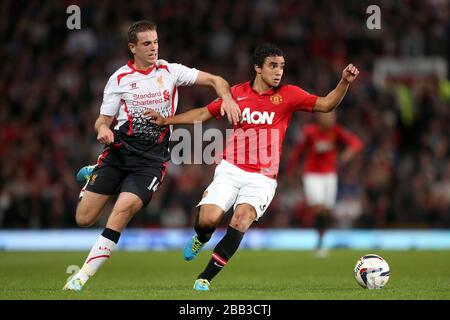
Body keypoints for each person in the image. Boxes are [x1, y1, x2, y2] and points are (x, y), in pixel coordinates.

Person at [145, 44, 359, 291]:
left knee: (242, 219)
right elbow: (204, 113)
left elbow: (326, 104)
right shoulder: (236, 93)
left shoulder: (289, 95)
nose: (279, 72)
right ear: (257, 68)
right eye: (272, 66)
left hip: (263, 177)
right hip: (231, 169)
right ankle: (201, 237)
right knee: (208, 219)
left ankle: (205, 277)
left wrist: (344, 82)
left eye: (281, 67)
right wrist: (167, 120)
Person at [62, 20, 241, 291]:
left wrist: (226, 97)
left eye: (156, 42)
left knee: (121, 212)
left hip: (150, 162)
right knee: (84, 218)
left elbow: (216, 80)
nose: (153, 48)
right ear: (132, 47)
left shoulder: (170, 71)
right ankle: (93, 174)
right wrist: (102, 131)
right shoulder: (120, 79)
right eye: (147, 43)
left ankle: (80, 277)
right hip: (117, 155)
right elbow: (102, 120)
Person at [286, 111, 363, 258]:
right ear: (319, 118)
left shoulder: (336, 131)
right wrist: (290, 171)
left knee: (326, 211)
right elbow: (297, 151)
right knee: (319, 208)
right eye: (327, 116)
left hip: (329, 175)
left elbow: (356, 143)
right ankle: (318, 244)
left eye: (332, 117)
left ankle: (320, 242)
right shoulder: (310, 132)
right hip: (312, 174)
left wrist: (346, 154)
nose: (330, 119)